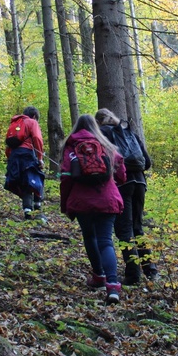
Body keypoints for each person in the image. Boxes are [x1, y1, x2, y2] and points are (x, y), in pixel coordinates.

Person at [60, 114, 127, 304]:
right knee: (106, 241)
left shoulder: (71, 146)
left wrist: (65, 204)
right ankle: (113, 285)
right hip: (107, 199)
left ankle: (99, 276)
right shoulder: (105, 145)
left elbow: (66, 177)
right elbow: (121, 171)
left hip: (82, 201)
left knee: (89, 237)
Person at [94, 108, 157, 285]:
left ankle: (132, 275)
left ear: (98, 122)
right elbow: (147, 162)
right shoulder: (129, 132)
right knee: (138, 227)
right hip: (140, 183)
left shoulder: (102, 133)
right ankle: (150, 270)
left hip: (122, 184)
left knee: (124, 230)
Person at [4, 106, 45, 220]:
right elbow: (37, 138)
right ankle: (37, 208)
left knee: (23, 183)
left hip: (14, 156)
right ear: (35, 116)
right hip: (27, 155)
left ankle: (27, 211)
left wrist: (10, 158)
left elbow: (9, 144)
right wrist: (40, 157)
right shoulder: (32, 122)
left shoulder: (15, 124)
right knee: (35, 179)